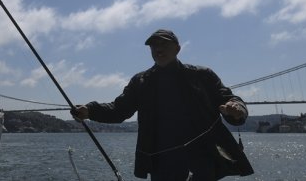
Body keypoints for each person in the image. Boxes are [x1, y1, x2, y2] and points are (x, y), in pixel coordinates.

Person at [72, 29, 254, 180]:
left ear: (177, 49)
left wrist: (237, 110)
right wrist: (90, 110)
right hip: (161, 159)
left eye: (164, 44)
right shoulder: (141, 81)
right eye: (153, 46)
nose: (158, 48)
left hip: (203, 155)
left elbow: (229, 99)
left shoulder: (202, 75)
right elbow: (119, 110)